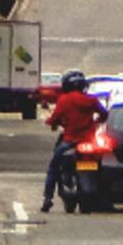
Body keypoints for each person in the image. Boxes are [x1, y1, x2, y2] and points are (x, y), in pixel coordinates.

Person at [40, 70, 108, 213]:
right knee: (99, 166)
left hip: (69, 140)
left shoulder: (64, 100)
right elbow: (104, 114)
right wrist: (95, 123)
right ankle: (103, 198)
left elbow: (54, 119)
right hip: (89, 141)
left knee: (53, 168)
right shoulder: (91, 100)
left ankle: (48, 198)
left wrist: (50, 121)